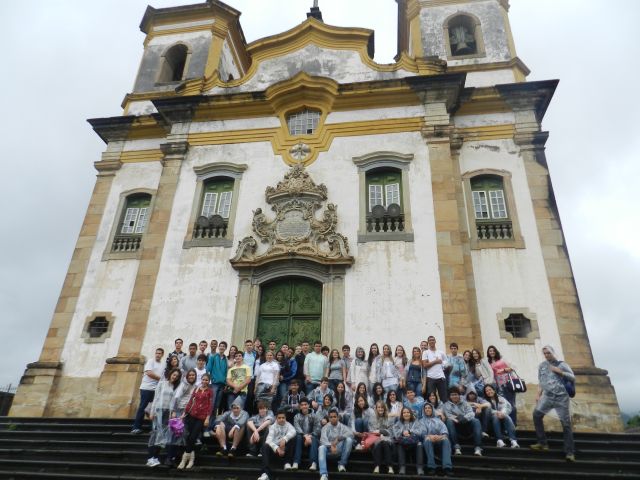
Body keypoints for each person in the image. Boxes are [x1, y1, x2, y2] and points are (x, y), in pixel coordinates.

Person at [530, 345, 575, 462]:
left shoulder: (562, 364)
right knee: (536, 415)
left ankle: (569, 452)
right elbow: (541, 381)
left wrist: (560, 372)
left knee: (566, 424)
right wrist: (538, 394)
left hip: (561, 398)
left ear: (553, 352)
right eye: (544, 353)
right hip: (548, 397)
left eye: (548, 353)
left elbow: (573, 378)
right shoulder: (542, 366)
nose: (546, 355)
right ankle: (542, 443)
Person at [146, 367, 181, 467]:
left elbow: (172, 401)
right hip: (158, 410)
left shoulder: (173, 386)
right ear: (170, 374)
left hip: (167, 413)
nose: (175, 377)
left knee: (162, 435)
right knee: (155, 434)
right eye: (174, 375)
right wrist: (152, 412)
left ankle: (156, 457)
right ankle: (150, 457)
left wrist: (172, 413)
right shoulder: (162, 383)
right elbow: (156, 398)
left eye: (177, 376)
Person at [177, 372, 213, 469]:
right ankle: (191, 459)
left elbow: (210, 406)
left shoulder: (210, 391)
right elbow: (190, 401)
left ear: (208, 381)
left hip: (201, 417)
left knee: (193, 437)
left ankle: (184, 459)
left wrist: (207, 418)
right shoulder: (196, 389)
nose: (204, 381)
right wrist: (184, 413)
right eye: (203, 379)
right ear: (201, 380)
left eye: (206, 380)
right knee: (189, 437)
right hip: (192, 415)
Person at [132, 348, 165, 434]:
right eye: (157, 353)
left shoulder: (163, 364)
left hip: (156, 389)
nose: (158, 355)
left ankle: (152, 428)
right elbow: (149, 373)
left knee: (153, 409)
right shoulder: (151, 361)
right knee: (143, 407)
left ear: (162, 355)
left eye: (160, 353)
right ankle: (136, 427)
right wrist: (161, 379)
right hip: (146, 388)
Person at [258, 408, 297, 480]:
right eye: (279, 418)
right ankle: (265, 474)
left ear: (285, 418)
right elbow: (268, 441)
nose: (281, 419)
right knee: (265, 446)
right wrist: (277, 448)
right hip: (275, 452)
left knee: (293, 438)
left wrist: (284, 439)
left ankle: (287, 462)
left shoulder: (288, 425)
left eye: (283, 418)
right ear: (276, 418)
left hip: (285, 451)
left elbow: (294, 431)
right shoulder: (272, 427)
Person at [168, 369, 197, 463]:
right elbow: (176, 397)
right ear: (187, 376)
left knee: (184, 435)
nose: (192, 376)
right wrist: (174, 411)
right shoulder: (183, 385)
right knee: (176, 434)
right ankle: (170, 457)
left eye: (193, 375)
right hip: (180, 411)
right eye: (190, 375)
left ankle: (178, 457)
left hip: (189, 413)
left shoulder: (196, 387)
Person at [443, 388, 483, 456]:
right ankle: (456, 447)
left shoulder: (465, 403)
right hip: (455, 428)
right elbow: (448, 415)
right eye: (452, 395)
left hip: (467, 425)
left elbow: (471, 413)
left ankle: (478, 447)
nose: (454, 396)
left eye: (456, 394)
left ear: (459, 395)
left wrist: (464, 418)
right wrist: (458, 418)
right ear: (450, 396)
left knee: (476, 421)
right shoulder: (446, 405)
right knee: (449, 421)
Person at [318, 408, 354, 479]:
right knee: (321, 447)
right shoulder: (325, 427)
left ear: (338, 417)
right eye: (331, 417)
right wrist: (331, 446)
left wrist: (339, 438)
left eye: (334, 417)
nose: (333, 418)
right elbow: (323, 440)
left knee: (349, 440)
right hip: (329, 451)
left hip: (339, 450)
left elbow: (351, 434)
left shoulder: (342, 426)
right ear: (328, 418)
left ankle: (341, 464)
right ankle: (324, 474)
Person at [419, 402, 453, 477]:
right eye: (426, 408)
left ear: (432, 409)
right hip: (428, 440)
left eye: (429, 408)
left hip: (439, 440)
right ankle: (432, 467)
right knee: (427, 440)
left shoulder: (438, 420)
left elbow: (444, 432)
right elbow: (422, 434)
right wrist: (430, 436)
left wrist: (440, 436)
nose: (427, 409)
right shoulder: (421, 421)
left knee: (446, 440)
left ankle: (447, 467)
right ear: (423, 410)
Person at [486, 345, 517, 425]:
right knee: (503, 405)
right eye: (490, 351)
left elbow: (513, 367)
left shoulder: (502, 359)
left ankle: (513, 423)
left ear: (496, 351)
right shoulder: (489, 362)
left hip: (508, 383)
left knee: (511, 403)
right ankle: (507, 424)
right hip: (499, 386)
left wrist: (503, 370)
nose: (492, 352)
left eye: (493, 350)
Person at [483, 384, 519, 448]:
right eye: (487, 391)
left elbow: (506, 407)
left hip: (501, 421)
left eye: (490, 390)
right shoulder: (484, 400)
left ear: (494, 390)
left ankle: (513, 441)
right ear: (485, 393)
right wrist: (497, 412)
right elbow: (488, 410)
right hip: (490, 424)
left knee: (506, 416)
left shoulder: (501, 398)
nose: (489, 392)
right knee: (495, 417)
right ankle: (499, 440)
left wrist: (502, 413)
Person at [393, 406, 424, 475]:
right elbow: (395, 434)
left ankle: (419, 468)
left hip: (414, 443)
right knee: (399, 444)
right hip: (403, 443)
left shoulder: (416, 421)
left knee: (419, 444)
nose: (406, 414)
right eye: (404, 412)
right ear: (402, 414)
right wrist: (402, 433)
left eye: (408, 412)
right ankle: (402, 467)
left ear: (410, 413)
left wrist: (410, 432)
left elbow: (420, 431)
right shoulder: (398, 423)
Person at [367, 401, 396, 474]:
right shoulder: (372, 418)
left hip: (387, 438)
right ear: (376, 409)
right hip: (375, 438)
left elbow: (391, 431)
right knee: (379, 442)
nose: (380, 409)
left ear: (384, 408)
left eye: (382, 407)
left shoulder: (389, 418)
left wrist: (380, 431)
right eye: (379, 407)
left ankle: (389, 466)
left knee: (385, 442)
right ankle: (377, 466)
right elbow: (371, 431)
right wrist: (379, 434)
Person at [293, 397, 321, 471]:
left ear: (309, 405)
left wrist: (310, 436)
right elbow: (297, 428)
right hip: (302, 439)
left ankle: (313, 463)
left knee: (314, 438)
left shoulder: (315, 415)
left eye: (305, 404)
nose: (304, 406)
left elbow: (318, 429)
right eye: (302, 405)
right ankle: (296, 462)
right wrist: (305, 436)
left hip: (312, 438)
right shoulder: (296, 417)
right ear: (300, 406)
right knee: (298, 437)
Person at [422, 336, 448, 403]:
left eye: (433, 340)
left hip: (441, 377)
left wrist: (442, 364)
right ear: (428, 342)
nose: (431, 341)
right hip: (431, 378)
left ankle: (444, 412)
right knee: (431, 397)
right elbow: (425, 365)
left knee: (444, 397)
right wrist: (436, 361)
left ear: (435, 341)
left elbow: (446, 362)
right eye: (430, 340)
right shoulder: (425, 352)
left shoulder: (441, 352)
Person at [207, 341, 228, 416]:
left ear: (225, 348)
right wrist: (209, 381)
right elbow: (208, 369)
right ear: (218, 347)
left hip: (222, 384)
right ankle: (207, 421)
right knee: (211, 403)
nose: (222, 347)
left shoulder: (226, 359)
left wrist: (226, 384)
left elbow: (226, 372)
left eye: (223, 346)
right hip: (214, 383)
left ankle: (212, 422)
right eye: (220, 346)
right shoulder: (213, 357)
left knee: (217, 405)